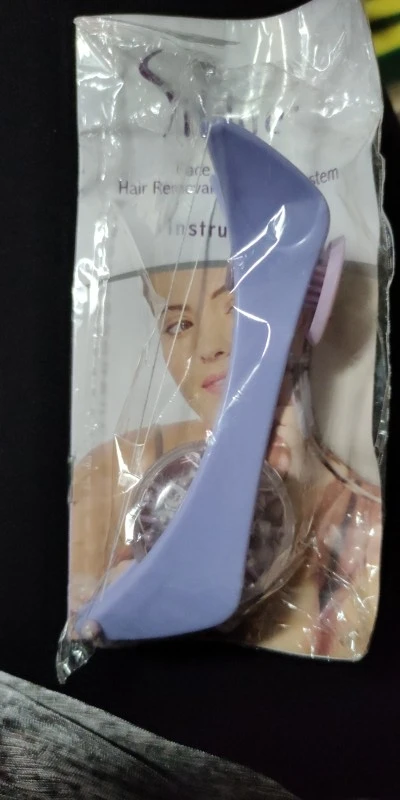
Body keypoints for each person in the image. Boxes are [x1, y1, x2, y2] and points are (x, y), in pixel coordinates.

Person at [69, 260, 382, 659]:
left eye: (237, 309)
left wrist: (296, 512)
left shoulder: (367, 530)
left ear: (302, 322)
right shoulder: (110, 473)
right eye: (178, 324)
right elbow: (79, 627)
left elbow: (321, 661)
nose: (209, 347)